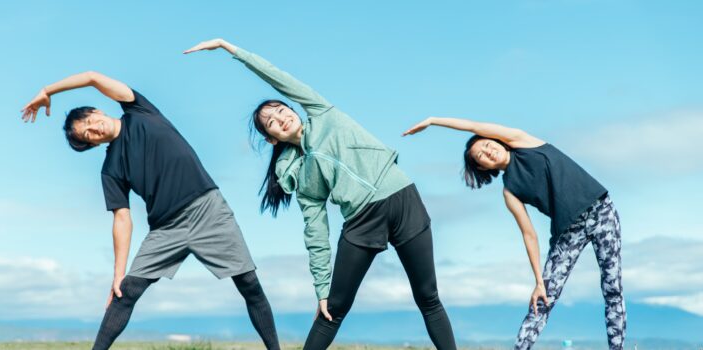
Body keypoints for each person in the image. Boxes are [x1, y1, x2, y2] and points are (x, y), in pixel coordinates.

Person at [184, 38, 458, 350]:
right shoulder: (300, 176)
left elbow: (275, 75)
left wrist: (229, 48)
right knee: (332, 308)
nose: (281, 118)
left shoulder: (322, 112)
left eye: (281, 110)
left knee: (428, 297)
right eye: (271, 122)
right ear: (272, 139)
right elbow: (315, 232)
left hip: (403, 197)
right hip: (361, 219)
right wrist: (321, 288)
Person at [20, 72, 280, 350]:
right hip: (166, 229)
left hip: (208, 210)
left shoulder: (139, 110)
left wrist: (48, 90)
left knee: (249, 283)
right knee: (126, 292)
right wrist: (117, 275)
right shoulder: (111, 169)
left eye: (88, 121)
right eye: (87, 135)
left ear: (97, 110)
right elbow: (122, 218)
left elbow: (92, 77)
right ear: (93, 144)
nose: (93, 129)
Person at [403, 117, 626, 349]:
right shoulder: (510, 191)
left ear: (497, 140)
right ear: (482, 167)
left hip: (601, 211)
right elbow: (529, 234)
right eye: (481, 156)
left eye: (488, 144)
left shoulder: (522, 141)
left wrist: (433, 121)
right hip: (568, 231)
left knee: (612, 289)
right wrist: (539, 281)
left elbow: (473, 127)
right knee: (543, 299)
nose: (488, 152)